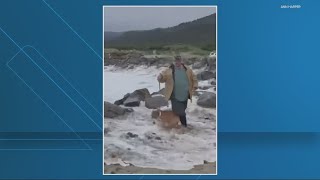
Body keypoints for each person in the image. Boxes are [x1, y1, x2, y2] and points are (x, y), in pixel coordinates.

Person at [157, 55, 198, 128]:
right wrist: (160, 77)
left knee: (182, 111)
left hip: (185, 95)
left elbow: (194, 78)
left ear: (181, 61)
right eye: (175, 61)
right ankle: (184, 127)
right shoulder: (168, 70)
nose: (177, 62)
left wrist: (195, 85)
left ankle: (174, 124)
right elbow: (162, 78)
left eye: (178, 60)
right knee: (180, 112)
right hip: (174, 96)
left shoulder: (187, 69)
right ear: (173, 62)